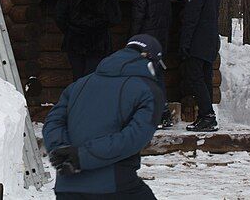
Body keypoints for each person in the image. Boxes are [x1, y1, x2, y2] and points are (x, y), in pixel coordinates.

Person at [43, 35, 166, 200]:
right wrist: (80, 157)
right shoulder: (149, 90)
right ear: (151, 62)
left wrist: (62, 151)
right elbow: (133, 138)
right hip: (114, 186)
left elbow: (53, 122)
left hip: (67, 186)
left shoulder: (79, 84)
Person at [56, 0, 121, 80]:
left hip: (74, 41)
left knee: (78, 77)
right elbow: (115, 18)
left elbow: (59, 15)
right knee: (93, 79)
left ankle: (77, 99)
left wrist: (71, 29)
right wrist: (100, 27)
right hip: (97, 42)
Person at [180, 0, 221, 132]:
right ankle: (206, 115)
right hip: (210, 40)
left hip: (198, 40)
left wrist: (185, 42)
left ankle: (207, 115)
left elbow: (191, 17)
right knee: (204, 79)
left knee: (196, 78)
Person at [131, 0, 173, 128]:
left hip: (144, 40)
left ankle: (151, 113)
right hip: (160, 39)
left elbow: (138, 17)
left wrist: (133, 39)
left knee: (143, 76)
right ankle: (163, 111)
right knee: (157, 74)